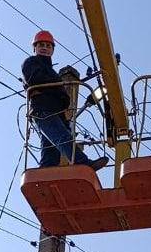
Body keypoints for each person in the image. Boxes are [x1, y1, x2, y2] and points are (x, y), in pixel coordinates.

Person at [22, 30, 109, 170]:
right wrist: (55, 88)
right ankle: (83, 162)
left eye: (48, 46)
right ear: (35, 48)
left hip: (56, 112)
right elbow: (36, 79)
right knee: (62, 138)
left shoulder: (52, 72)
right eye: (41, 45)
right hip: (42, 110)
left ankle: (45, 171)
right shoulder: (31, 63)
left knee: (51, 148)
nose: (44, 48)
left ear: (52, 50)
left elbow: (63, 98)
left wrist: (56, 90)